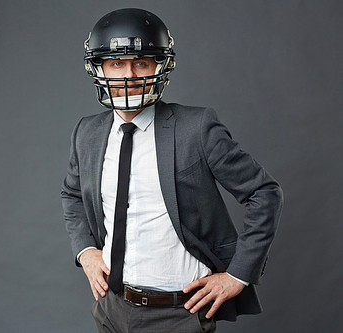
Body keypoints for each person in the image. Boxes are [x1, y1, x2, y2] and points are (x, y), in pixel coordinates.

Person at [61, 8, 283, 333]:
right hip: (111, 307)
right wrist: (86, 251)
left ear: (159, 66)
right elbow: (72, 194)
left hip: (179, 315)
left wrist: (238, 274)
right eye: (116, 63)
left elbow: (264, 194)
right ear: (99, 68)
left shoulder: (197, 128)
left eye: (141, 62)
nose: (129, 75)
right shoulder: (87, 133)